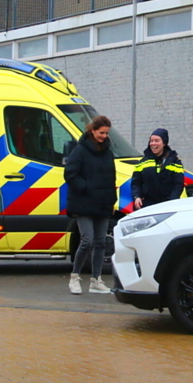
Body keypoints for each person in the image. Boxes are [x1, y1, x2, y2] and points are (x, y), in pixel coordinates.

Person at [63, 115, 117, 295]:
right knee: (87, 240)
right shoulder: (79, 151)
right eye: (101, 132)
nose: (104, 136)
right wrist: (86, 188)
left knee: (101, 242)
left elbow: (111, 178)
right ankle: (75, 277)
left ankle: (96, 280)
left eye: (106, 133)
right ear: (93, 131)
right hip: (83, 203)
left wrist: (111, 200)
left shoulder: (108, 152)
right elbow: (70, 174)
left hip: (102, 204)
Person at [131, 128, 184, 209]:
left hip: (167, 205)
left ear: (164, 143)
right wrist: (137, 197)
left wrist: (172, 202)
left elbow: (178, 185)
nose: (153, 143)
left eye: (156, 141)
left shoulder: (175, 162)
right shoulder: (143, 162)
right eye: (151, 141)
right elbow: (136, 182)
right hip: (147, 205)